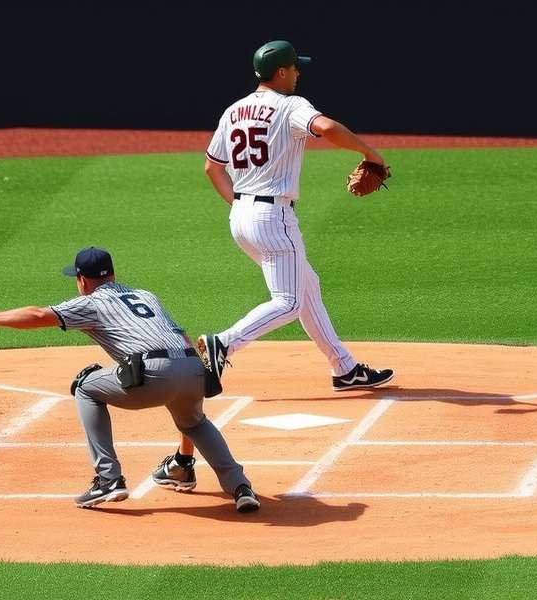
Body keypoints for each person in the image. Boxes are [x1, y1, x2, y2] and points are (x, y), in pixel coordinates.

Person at [151, 41, 396, 490]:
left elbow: (211, 168)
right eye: (294, 70)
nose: (298, 75)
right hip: (274, 215)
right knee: (287, 300)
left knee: (308, 287)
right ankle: (223, 342)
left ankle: (344, 367)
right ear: (281, 73)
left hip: (242, 214)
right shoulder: (290, 105)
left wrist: (240, 207)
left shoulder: (233, 110)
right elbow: (327, 127)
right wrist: (372, 155)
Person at [0, 246, 260, 513]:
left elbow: (37, 315)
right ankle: (239, 487)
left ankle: (108, 479)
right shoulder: (145, 295)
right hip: (192, 366)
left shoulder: (90, 302)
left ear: (82, 280)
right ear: (112, 275)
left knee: (86, 387)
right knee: (194, 423)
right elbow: (181, 335)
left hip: (154, 373)